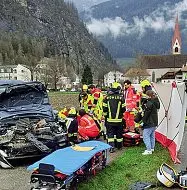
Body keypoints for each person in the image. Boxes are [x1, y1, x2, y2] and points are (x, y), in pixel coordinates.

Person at [103, 82, 126, 153]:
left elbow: (105, 109)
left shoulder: (106, 98)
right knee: (119, 133)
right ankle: (119, 146)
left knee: (110, 134)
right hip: (119, 120)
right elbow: (123, 109)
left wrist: (106, 116)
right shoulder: (121, 98)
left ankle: (111, 147)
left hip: (109, 120)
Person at [142, 90, 160, 155]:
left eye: (146, 95)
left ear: (149, 96)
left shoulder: (149, 103)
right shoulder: (156, 102)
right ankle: (152, 148)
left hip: (149, 122)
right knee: (152, 135)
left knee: (145, 136)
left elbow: (146, 114)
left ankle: (148, 150)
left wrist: (143, 122)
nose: (145, 96)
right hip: (154, 122)